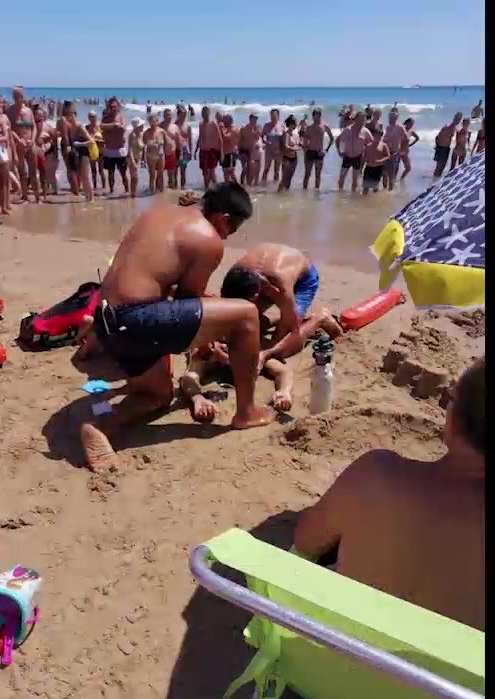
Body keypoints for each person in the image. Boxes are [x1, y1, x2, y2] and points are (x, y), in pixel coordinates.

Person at [79, 183, 272, 473]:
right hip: (134, 322)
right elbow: (188, 298)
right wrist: (212, 331)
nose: (226, 237)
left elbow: (171, 294)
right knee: (246, 314)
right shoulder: (207, 237)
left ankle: (99, 425)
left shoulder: (160, 213)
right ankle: (246, 412)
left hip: (107, 324)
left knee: (158, 396)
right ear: (223, 219)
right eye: (230, 230)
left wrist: (207, 323)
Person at [293, 358, 485, 630]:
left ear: (453, 420)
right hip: (426, 673)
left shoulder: (376, 474)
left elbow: (304, 542)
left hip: (327, 657)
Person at [218, 242, 345, 376]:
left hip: (304, 278)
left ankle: (320, 319)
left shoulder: (280, 287)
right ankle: (274, 320)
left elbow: (293, 331)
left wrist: (266, 355)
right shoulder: (235, 277)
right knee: (243, 320)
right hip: (268, 267)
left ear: (256, 295)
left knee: (283, 345)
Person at [7, 86, 42, 203]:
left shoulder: (28, 111)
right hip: (19, 145)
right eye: (16, 96)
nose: (19, 99)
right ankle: (25, 196)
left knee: (34, 171)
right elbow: (9, 129)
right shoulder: (10, 111)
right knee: (22, 172)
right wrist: (18, 140)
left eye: (20, 96)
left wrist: (33, 140)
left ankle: (37, 196)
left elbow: (34, 127)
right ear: (13, 97)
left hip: (30, 144)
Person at [100, 98, 131, 195]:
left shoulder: (122, 117)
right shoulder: (106, 118)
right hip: (109, 150)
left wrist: (116, 126)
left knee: (123, 173)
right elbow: (101, 126)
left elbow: (124, 127)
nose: (113, 108)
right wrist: (114, 125)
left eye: (114, 106)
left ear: (118, 106)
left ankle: (127, 191)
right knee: (110, 173)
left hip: (120, 150)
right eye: (111, 106)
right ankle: (111, 191)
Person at [338, 112, 373, 192]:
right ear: (356, 119)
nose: (361, 120)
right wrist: (340, 151)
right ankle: (339, 194)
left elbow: (372, 142)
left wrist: (367, 151)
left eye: (363, 119)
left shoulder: (365, 131)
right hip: (347, 156)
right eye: (360, 118)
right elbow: (338, 140)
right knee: (341, 178)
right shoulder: (348, 129)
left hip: (358, 157)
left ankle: (353, 195)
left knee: (355, 181)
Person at [301, 108, 335, 190]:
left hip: (319, 153)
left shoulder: (324, 126)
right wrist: (305, 150)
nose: (316, 118)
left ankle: (316, 193)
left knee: (318, 175)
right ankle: (304, 192)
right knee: (307, 174)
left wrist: (326, 150)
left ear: (320, 116)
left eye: (317, 116)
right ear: (312, 117)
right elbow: (304, 140)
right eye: (314, 116)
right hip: (310, 152)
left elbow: (332, 138)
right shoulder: (309, 128)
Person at [141, 112, 172, 194]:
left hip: (161, 155)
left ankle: (161, 192)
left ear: (157, 121)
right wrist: (142, 159)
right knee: (152, 176)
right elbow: (142, 146)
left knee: (161, 175)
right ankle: (152, 193)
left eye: (154, 121)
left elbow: (166, 143)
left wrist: (168, 153)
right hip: (150, 156)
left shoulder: (162, 131)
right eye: (150, 121)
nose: (152, 123)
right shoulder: (146, 133)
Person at [57, 101, 81, 197]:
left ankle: (75, 189)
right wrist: (68, 146)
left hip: (72, 144)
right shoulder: (63, 119)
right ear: (67, 109)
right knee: (71, 168)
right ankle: (75, 191)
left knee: (75, 168)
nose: (73, 109)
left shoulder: (69, 119)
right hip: (67, 144)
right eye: (71, 108)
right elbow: (65, 135)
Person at [382, 108, 408, 190]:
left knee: (391, 175)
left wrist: (402, 150)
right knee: (384, 173)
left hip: (394, 153)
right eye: (389, 118)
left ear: (396, 118)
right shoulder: (388, 127)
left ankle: (390, 192)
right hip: (385, 153)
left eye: (392, 118)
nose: (390, 119)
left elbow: (406, 139)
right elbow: (384, 139)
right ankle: (384, 190)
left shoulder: (400, 127)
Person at [196, 106, 222, 190]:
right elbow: (200, 137)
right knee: (204, 172)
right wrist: (196, 149)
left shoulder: (213, 124)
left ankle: (216, 189)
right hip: (203, 151)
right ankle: (206, 188)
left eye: (206, 113)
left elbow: (220, 139)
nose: (205, 115)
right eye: (203, 114)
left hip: (212, 151)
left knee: (212, 172)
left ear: (209, 113)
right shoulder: (201, 124)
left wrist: (221, 153)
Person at [35, 107, 59, 196]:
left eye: (41, 115)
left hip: (48, 151)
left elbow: (55, 137)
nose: (40, 117)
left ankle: (54, 189)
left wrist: (47, 139)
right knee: (41, 172)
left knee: (50, 172)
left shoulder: (48, 126)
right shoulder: (33, 126)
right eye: (38, 115)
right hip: (37, 151)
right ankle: (44, 190)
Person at [434, 112, 463, 179]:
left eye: (460, 119)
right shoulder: (450, 126)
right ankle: (434, 180)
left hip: (444, 147)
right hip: (442, 147)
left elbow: (438, 136)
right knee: (440, 166)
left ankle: (435, 180)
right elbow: (438, 136)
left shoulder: (452, 127)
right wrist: (438, 146)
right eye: (458, 118)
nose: (459, 120)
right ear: (455, 118)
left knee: (441, 166)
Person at [260, 108, 285, 186]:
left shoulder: (281, 126)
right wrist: (265, 142)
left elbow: (285, 138)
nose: (273, 117)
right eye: (272, 115)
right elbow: (261, 136)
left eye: (275, 115)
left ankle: (275, 186)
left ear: (278, 116)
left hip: (278, 151)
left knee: (277, 171)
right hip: (269, 151)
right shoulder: (266, 125)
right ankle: (263, 186)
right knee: (266, 169)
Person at [362, 127, 390, 194]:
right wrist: (361, 167)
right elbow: (364, 157)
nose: (378, 137)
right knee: (365, 187)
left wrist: (380, 161)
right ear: (373, 135)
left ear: (381, 136)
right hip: (368, 168)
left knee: (375, 187)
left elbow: (388, 156)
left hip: (378, 168)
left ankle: (376, 201)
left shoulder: (383, 145)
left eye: (380, 135)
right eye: (376, 135)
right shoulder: (368, 145)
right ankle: (363, 201)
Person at [160, 108, 182, 190]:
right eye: (167, 115)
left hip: (172, 153)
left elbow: (179, 142)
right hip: (161, 154)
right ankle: (160, 191)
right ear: (164, 116)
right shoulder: (160, 126)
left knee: (171, 174)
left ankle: (171, 191)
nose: (169, 116)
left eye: (170, 115)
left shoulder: (175, 127)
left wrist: (180, 155)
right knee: (160, 174)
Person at [239, 113, 263, 186]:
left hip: (252, 152)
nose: (255, 121)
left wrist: (256, 131)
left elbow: (258, 137)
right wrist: (238, 149)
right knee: (245, 169)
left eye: (256, 119)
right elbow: (240, 139)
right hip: (244, 150)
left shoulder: (257, 128)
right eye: (253, 119)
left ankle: (248, 185)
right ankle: (242, 183)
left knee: (250, 170)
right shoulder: (244, 128)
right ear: (250, 119)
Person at [278, 115, 301, 191]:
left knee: (289, 179)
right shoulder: (286, 134)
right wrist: (294, 149)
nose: (296, 125)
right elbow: (285, 146)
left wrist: (303, 146)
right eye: (295, 124)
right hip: (286, 159)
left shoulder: (295, 134)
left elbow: (298, 143)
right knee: (284, 179)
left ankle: (286, 194)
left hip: (294, 159)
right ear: (290, 124)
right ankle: (279, 193)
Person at [175, 106, 194, 189]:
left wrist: (191, 152)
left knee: (183, 170)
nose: (184, 116)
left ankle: (182, 188)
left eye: (185, 114)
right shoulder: (174, 125)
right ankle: (174, 188)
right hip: (175, 150)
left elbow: (190, 139)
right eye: (182, 114)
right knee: (174, 171)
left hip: (185, 150)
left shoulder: (187, 126)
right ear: (178, 114)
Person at [127, 117, 145, 197]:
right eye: (141, 125)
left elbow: (143, 148)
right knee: (134, 178)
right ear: (137, 126)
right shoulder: (132, 135)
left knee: (135, 178)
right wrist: (133, 162)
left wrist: (143, 159)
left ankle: (133, 193)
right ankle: (132, 195)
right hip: (132, 158)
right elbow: (130, 150)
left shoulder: (141, 134)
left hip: (138, 158)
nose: (143, 126)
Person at [86, 110, 104, 191]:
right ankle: (95, 187)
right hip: (92, 152)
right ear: (89, 118)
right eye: (91, 116)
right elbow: (84, 138)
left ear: (96, 117)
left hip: (100, 151)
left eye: (94, 116)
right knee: (93, 171)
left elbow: (105, 140)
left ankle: (104, 187)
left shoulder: (99, 127)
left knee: (101, 170)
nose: (93, 118)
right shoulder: (86, 127)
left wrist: (96, 139)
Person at [218, 113, 239, 183]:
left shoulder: (233, 129)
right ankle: (227, 187)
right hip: (224, 153)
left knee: (230, 172)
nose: (223, 121)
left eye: (225, 120)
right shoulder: (223, 128)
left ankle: (237, 187)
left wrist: (222, 129)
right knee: (225, 172)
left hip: (231, 153)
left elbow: (227, 137)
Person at [399, 117, 420, 183]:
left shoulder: (411, 131)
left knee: (408, 168)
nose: (411, 125)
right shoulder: (401, 129)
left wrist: (410, 145)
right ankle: (392, 181)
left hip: (405, 152)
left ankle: (401, 180)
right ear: (407, 123)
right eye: (410, 124)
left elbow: (417, 138)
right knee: (394, 168)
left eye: (412, 124)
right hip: (398, 151)